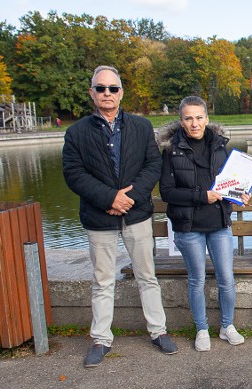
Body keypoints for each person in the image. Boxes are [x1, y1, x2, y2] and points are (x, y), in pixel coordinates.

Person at [62, 65, 177, 368]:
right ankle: (101, 338)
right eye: (101, 88)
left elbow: (152, 166)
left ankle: (158, 330)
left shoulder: (141, 127)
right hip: (99, 218)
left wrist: (128, 199)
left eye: (113, 88)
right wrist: (109, 198)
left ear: (121, 92)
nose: (107, 93)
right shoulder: (76, 132)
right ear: (92, 93)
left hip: (136, 215)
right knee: (102, 280)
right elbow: (74, 174)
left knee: (147, 276)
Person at [158, 96, 250, 351]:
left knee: (226, 279)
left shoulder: (221, 147)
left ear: (207, 119)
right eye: (188, 118)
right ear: (181, 121)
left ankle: (227, 325)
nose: (194, 123)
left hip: (219, 223)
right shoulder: (171, 150)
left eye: (199, 117)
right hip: (188, 227)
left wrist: (241, 194)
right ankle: (201, 329)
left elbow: (230, 184)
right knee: (197, 280)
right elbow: (166, 192)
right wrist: (201, 196)